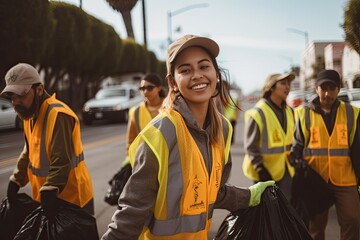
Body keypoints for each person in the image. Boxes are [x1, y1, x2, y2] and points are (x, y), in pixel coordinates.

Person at [101, 34, 274, 240]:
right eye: (185, 70)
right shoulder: (161, 132)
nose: (197, 75)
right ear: (173, 82)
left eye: (204, 66)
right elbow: (133, 210)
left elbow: (212, 192)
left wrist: (250, 196)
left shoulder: (223, 129)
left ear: (216, 74)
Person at [1, 63, 94, 216]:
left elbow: (61, 159)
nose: (15, 102)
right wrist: (16, 179)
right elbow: (29, 150)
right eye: (12, 96)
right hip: (48, 199)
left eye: (21, 95)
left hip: (73, 201)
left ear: (39, 89)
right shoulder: (29, 114)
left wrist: (51, 187)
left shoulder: (58, 115)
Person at [290, 69, 360, 240]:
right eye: (324, 88)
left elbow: (357, 148)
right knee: (316, 228)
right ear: (316, 88)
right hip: (315, 180)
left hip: (345, 178)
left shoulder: (352, 113)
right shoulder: (304, 113)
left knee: (353, 219)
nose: (328, 93)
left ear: (339, 89)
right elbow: (296, 147)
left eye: (332, 88)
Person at [242, 72, 295, 200]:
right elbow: (251, 147)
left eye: (289, 84)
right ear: (271, 87)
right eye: (283, 83)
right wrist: (260, 169)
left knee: (284, 210)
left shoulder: (290, 111)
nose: (287, 87)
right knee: (267, 214)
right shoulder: (258, 112)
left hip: (285, 170)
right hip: (264, 174)